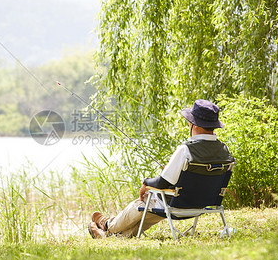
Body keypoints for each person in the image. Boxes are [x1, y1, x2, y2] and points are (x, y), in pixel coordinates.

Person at [88, 99, 235, 239]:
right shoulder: (225, 150)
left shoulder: (185, 150)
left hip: (176, 206)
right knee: (146, 213)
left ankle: (107, 224)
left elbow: (161, 184)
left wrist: (146, 182)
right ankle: (110, 236)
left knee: (142, 203)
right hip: (202, 206)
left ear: (194, 125)